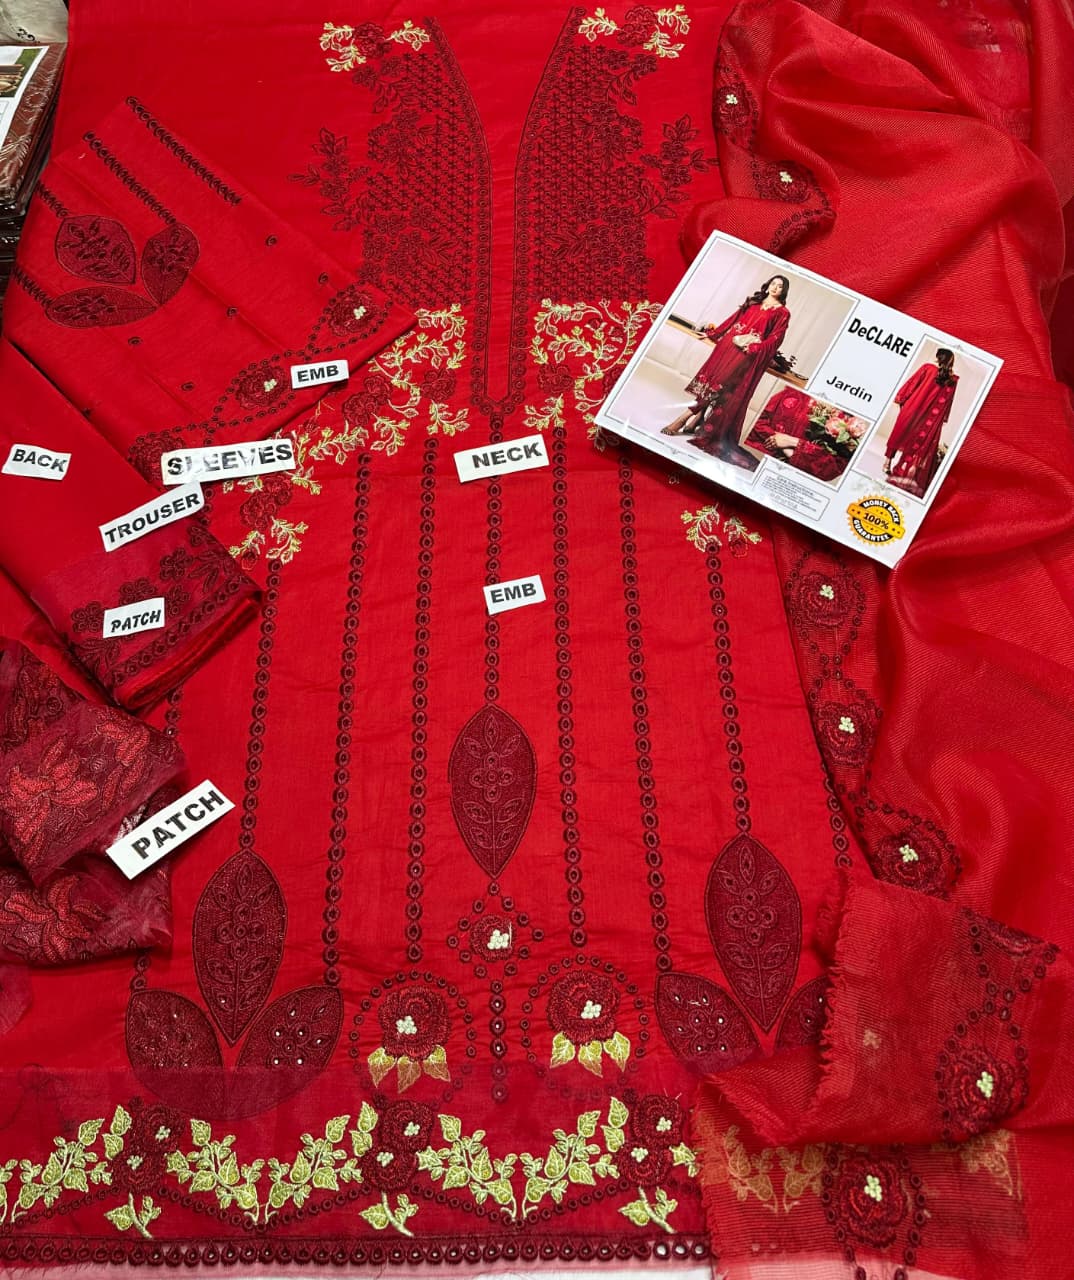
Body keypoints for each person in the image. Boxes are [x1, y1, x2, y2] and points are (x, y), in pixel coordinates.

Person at [661, 274, 790, 467]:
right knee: (713, 383)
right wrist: (714, 334)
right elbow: (733, 319)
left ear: (784, 291)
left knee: (723, 386)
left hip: (746, 353)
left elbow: (775, 338)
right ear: (768, 284)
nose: (775, 288)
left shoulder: (782, 313)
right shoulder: (754, 301)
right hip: (728, 346)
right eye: (773, 284)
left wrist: (756, 347)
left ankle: (683, 418)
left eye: (780, 286)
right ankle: (697, 419)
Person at [883, 348, 958, 497]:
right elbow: (948, 401)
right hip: (929, 417)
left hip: (913, 408)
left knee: (898, 434)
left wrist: (901, 398)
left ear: (938, 357)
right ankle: (904, 468)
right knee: (916, 440)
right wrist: (943, 418)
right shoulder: (952, 379)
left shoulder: (927, 368)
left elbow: (912, 383)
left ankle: (887, 463)